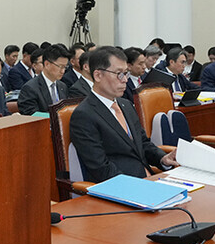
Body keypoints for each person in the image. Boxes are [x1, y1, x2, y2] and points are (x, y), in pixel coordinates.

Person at [69, 47, 179, 183]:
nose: (125, 80)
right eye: (119, 74)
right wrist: (137, 185)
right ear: (98, 75)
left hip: (148, 178)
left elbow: (143, 144)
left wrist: (162, 158)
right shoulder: (84, 115)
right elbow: (101, 168)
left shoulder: (125, 105)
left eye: (126, 73)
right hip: (122, 187)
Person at [17, 44, 70, 115]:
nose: (63, 71)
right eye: (60, 66)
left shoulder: (62, 86)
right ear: (47, 64)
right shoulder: (30, 88)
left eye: (65, 67)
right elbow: (31, 115)